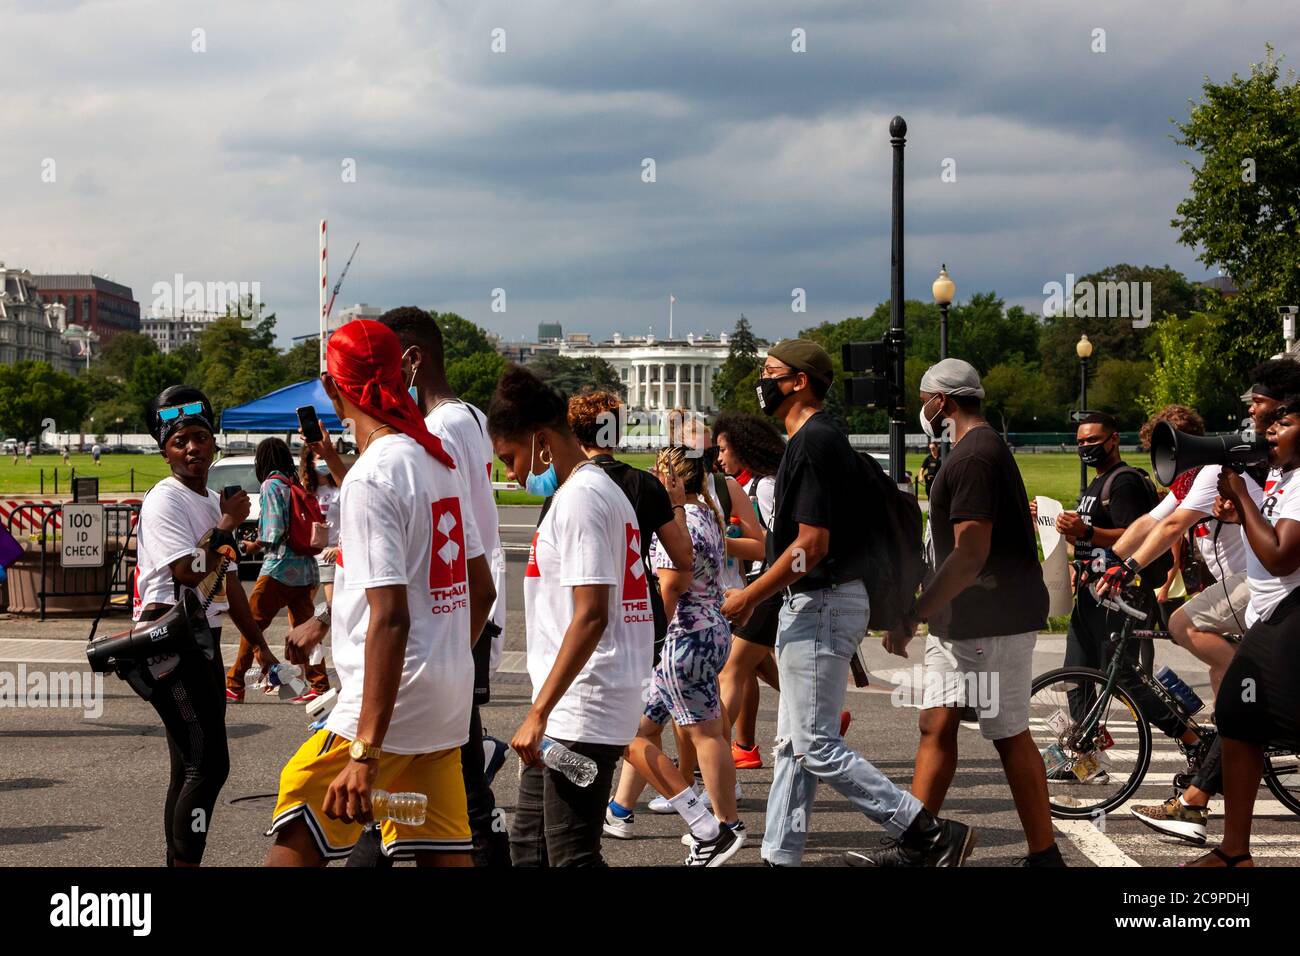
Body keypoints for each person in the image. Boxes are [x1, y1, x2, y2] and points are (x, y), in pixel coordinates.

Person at [722, 340, 971, 868]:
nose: (761, 382)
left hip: (822, 603)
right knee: (794, 743)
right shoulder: (814, 440)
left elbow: (811, 546)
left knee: (813, 743)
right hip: (823, 603)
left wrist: (750, 594)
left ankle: (925, 831)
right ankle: (780, 855)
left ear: (799, 382)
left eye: (770, 373)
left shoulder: (813, 443)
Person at [265, 319, 496, 866]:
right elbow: (481, 590)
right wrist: (441, 658)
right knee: (445, 853)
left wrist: (365, 750)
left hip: (387, 711)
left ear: (331, 386)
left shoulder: (372, 476)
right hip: (445, 705)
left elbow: (390, 618)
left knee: (300, 813)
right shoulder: (438, 462)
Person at [858, 357, 1061, 867]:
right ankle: (922, 843)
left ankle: (1043, 853)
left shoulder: (972, 458)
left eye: (924, 400)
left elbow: (970, 552)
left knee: (1008, 732)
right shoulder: (979, 450)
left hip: (987, 617)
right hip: (977, 616)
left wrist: (915, 611)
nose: (921, 410)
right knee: (936, 723)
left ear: (941, 402)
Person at [1106, 364, 1300, 843]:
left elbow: (1277, 554)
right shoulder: (1269, 471)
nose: (1259, 419)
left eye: (1272, 414)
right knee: (1239, 719)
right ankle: (1227, 842)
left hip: (1274, 607)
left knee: (1227, 690)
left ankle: (1197, 807)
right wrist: (1111, 560)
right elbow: (1155, 522)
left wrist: (1130, 570)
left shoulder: (1253, 471)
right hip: (1263, 609)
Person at [488, 365, 655, 867]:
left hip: (583, 705)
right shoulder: (586, 491)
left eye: (510, 458)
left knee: (572, 856)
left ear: (540, 441)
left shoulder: (581, 498)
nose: (512, 474)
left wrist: (538, 712)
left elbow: (591, 616)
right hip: (572, 706)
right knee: (528, 851)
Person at [374, 305, 512, 868]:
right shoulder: (468, 416)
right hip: (461, 605)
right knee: (450, 773)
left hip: (453, 610)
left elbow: (440, 522)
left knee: (453, 778)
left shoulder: (441, 427)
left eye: (386, 361)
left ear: (411, 359)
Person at [130, 385, 278, 865]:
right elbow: (190, 570)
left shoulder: (213, 500)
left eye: (199, 436)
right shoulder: (165, 501)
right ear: (163, 449)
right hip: (167, 638)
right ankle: (185, 862)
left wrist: (261, 648)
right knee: (209, 763)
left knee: (191, 761)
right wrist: (229, 525)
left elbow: (228, 582)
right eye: (179, 441)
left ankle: (179, 861)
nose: (192, 448)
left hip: (203, 638)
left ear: (214, 440)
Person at [605, 445, 745, 865]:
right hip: (708, 630)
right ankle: (620, 809)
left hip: (682, 638)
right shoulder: (707, 514)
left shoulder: (678, 523)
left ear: (673, 479)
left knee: (705, 735)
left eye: (659, 471)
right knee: (641, 726)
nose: (651, 475)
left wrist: (651, 640)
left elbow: (670, 585)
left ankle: (725, 824)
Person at [1054, 412, 1202, 779]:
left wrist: (1086, 533)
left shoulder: (1124, 483)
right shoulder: (1096, 485)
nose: (1085, 447)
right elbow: (1091, 540)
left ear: (1114, 439)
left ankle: (1192, 738)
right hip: (1092, 592)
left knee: (1121, 678)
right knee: (1078, 675)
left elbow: (1136, 534)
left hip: (1121, 593)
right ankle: (1086, 761)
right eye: (1080, 441)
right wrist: (1061, 530)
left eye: (1093, 440)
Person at [1185, 398, 1300, 867]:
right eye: (1270, 424)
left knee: (1259, 716)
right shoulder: (1284, 476)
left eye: (1285, 424)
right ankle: (1234, 852)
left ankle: (1234, 851)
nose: (1270, 432)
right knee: (1238, 716)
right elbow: (1269, 534)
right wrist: (1240, 516)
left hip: (1292, 615)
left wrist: (1243, 496)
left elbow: (1281, 556)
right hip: (1272, 615)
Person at [224, 437, 329, 703]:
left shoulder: (271, 485)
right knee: (308, 633)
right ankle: (320, 685)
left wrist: (251, 545)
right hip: (306, 570)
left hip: (279, 569)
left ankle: (235, 682)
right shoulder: (295, 484)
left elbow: (273, 533)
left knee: (253, 625)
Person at [713, 411, 785, 769]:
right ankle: (740, 746)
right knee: (752, 667)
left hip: (766, 585)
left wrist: (721, 543)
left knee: (731, 670)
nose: (720, 457)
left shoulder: (766, 486)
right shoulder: (757, 484)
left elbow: (774, 543)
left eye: (724, 449)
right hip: (760, 584)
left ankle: (707, 751)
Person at [301, 444, 340, 606]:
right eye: (320, 458)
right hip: (308, 557)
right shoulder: (304, 491)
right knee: (301, 609)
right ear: (310, 462)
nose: (324, 462)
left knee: (333, 607)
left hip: (331, 555)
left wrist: (339, 548)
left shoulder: (340, 488)